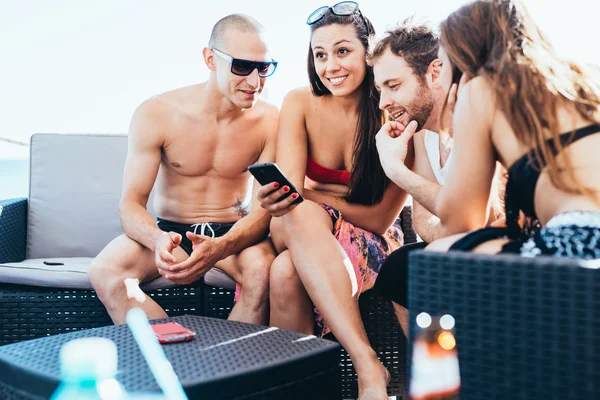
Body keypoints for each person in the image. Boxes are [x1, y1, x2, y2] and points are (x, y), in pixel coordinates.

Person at [88, 14, 280, 326]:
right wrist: (156, 239)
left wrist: (218, 248)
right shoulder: (157, 113)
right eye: (242, 66)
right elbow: (131, 204)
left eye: (264, 68)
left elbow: (261, 214)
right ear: (210, 59)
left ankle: (230, 370)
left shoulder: (270, 121)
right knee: (105, 271)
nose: (255, 81)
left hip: (233, 237)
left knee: (264, 273)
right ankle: (175, 359)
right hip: (170, 234)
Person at [257, 3, 408, 399]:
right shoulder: (299, 103)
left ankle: (310, 386)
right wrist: (300, 199)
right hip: (303, 228)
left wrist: (313, 195)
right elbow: (288, 202)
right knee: (301, 218)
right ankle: (367, 365)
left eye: (343, 51)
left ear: (368, 53)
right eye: (320, 55)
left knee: (286, 272)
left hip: (371, 238)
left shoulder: (393, 108)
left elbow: (378, 219)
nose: (330, 66)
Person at [376, 0, 600, 259]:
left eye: (444, 61)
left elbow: (461, 223)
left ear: (462, 56)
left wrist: (394, 168)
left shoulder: (480, 89)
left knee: (438, 253)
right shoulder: (579, 81)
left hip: (581, 242)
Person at [367, 21, 504, 335]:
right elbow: (422, 221)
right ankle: (429, 376)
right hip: (455, 245)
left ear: (434, 73)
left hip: (511, 245)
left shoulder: (477, 113)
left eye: (393, 85)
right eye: (380, 89)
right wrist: (447, 229)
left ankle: (465, 374)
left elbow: (480, 221)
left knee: (434, 268)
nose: (383, 103)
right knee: (398, 268)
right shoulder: (422, 135)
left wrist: (396, 170)